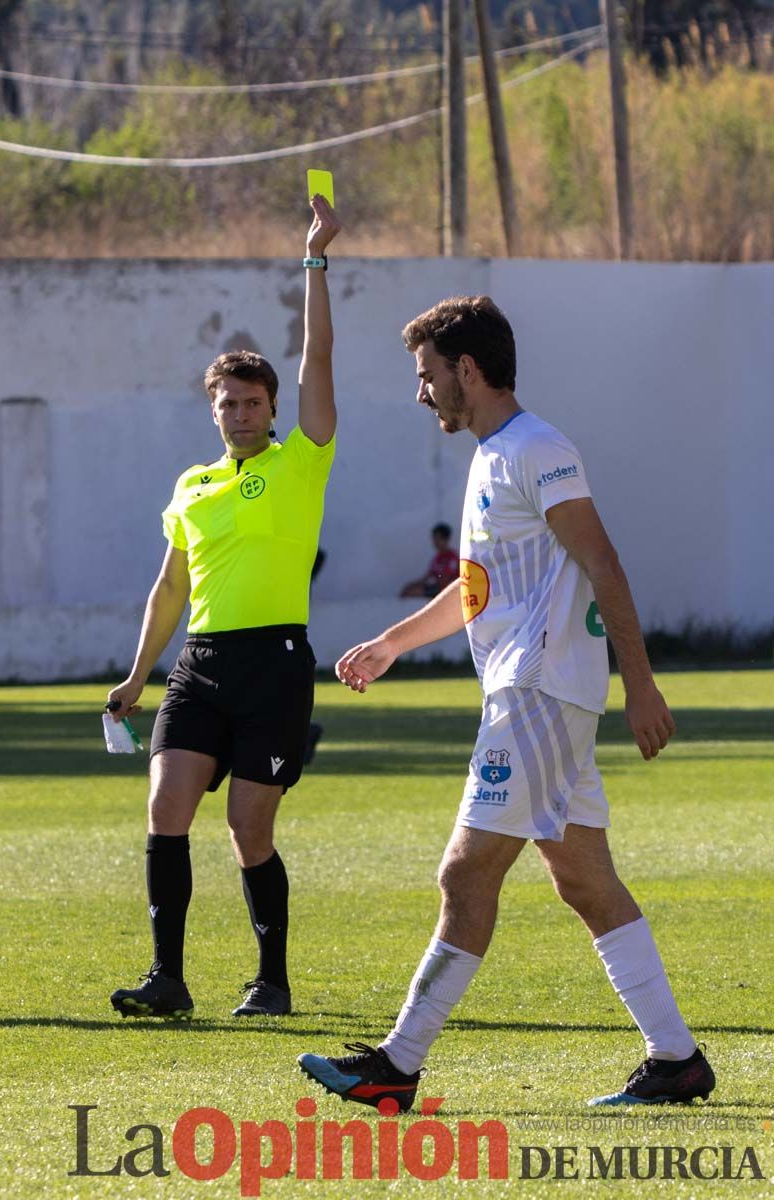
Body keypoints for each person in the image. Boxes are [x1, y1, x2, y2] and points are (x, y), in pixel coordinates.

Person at [297, 295, 715, 1108]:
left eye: (427, 374)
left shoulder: (537, 448)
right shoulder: (492, 457)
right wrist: (392, 643)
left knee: (464, 872)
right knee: (584, 882)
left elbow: (604, 562)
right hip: (531, 692)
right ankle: (677, 1060)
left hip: (538, 690)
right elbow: (476, 589)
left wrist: (641, 684)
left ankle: (397, 1064)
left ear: (467, 368)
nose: (421, 392)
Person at [107, 196, 341, 1020]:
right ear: (212, 411)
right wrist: (137, 675)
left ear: (272, 408)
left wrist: (314, 260)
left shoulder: (301, 463)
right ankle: (167, 980)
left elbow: (318, 358)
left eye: (252, 403)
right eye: (227, 405)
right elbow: (170, 587)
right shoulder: (192, 485)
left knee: (249, 828)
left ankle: (271, 981)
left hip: (274, 664)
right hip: (200, 665)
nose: (240, 415)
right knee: (165, 808)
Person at [399, 523, 459, 598]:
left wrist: (423, 590)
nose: (435, 542)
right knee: (409, 591)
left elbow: (445, 581)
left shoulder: (452, 558)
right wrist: (413, 585)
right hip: (437, 588)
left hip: (449, 592)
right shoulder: (437, 558)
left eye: (438, 538)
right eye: (434, 538)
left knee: (414, 592)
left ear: (446, 539)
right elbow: (427, 577)